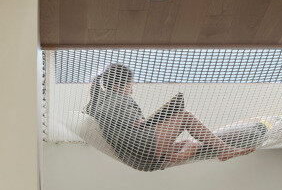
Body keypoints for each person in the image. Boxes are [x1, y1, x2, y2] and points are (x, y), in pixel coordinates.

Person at [84, 63, 265, 170]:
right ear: (120, 85)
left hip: (135, 154)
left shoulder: (97, 102)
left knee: (188, 143)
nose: (131, 89)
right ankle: (224, 149)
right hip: (141, 145)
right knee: (185, 116)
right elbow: (137, 125)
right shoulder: (119, 99)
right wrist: (163, 117)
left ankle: (180, 152)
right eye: (130, 85)